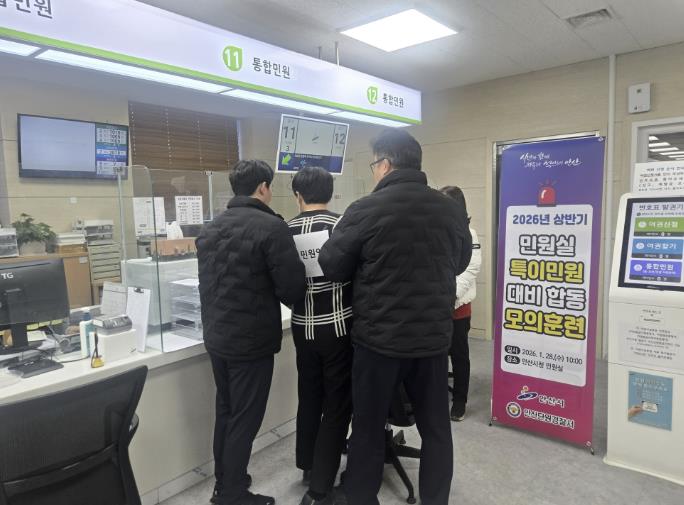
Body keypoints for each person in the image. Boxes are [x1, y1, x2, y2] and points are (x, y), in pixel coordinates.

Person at [318, 129, 472, 505]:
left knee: (368, 427)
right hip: (432, 341)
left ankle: (361, 497)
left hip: (378, 342)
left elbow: (332, 265)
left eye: (374, 164)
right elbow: (460, 262)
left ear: (385, 164)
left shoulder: (365, 209)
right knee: (436, 430)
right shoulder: (449, 210)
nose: (374, 171)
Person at [196, 160, 306, 505]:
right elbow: (292, 288)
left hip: (217, 335)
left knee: (227, 409)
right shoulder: (272, 228)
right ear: (263, 187)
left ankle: (226, 481)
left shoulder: (210, 228)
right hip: (251, 340)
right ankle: (231, 494)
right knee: (245, 416)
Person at [287, 167, 354, 505]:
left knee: (309, 395)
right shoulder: (342, 226)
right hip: (339, 326)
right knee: (337, 403)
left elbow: (284, 280)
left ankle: (308, 464)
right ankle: (322, 483)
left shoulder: (285, 230)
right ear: (330, 192)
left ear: (298, 195)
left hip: (302, 326)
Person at [440, 186, 481, 422]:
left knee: (459, 355)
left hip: (457, 307)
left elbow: (470, 270)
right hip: (436, 307)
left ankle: (459, 401)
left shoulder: (470, 234)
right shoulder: (436, 231)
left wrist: (448, 296)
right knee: (437, 355)